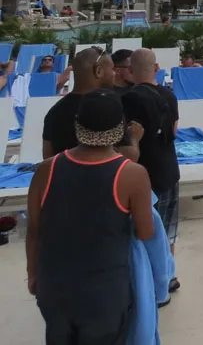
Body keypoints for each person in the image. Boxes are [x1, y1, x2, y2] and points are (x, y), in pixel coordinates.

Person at [26, 93, 155, 343]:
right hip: (105, 293)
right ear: (120, 129)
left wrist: (33, 274)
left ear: (78, 125)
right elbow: (145, 232)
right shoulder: (131, 174)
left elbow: (33, 229)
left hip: (54, 288)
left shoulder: (47, 169)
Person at [122, 48, 181, 294]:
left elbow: (126, 142)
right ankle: (169, 276)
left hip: (144, 174)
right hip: (169, 169)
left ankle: (151, 285)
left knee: (146, 234)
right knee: (168, 231)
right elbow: (174, 132)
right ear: (156, 68)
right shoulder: (169, 96)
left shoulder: (128, 99)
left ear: (130, 70)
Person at [42, 47, 140, 161]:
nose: (114, 74)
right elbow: (129, 158)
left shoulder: (55, 111)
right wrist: (134, 138)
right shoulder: (108, 107)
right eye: (112, 69)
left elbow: (48, 157)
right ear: (98, 71)